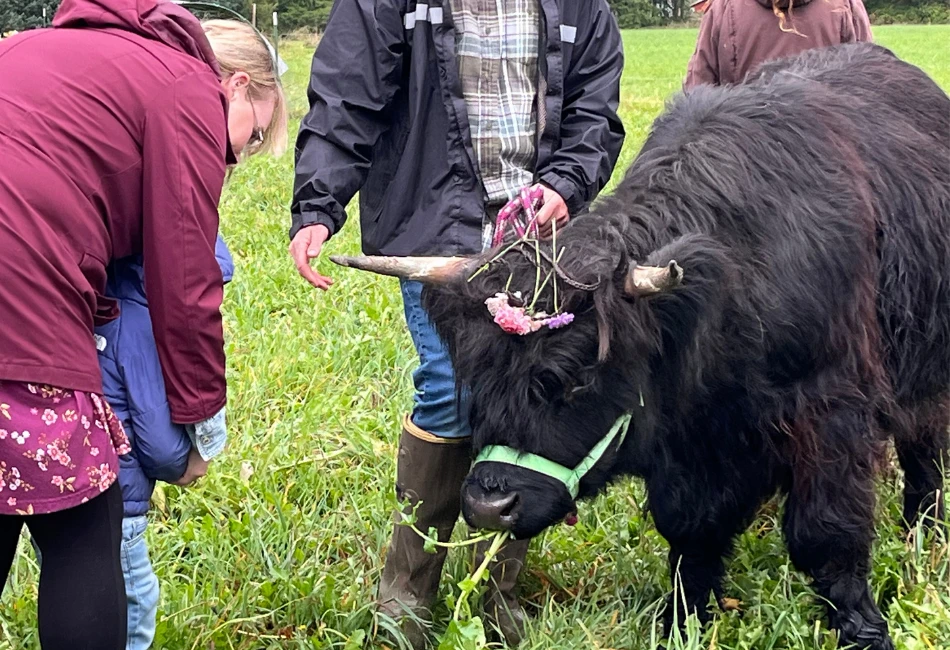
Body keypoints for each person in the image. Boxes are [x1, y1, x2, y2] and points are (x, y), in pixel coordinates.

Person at [290, 1, 625, 647]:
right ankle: (406, 597)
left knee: (522, 393)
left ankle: (494, 592)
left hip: (538, 241)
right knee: (448, 390)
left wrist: (564, 183)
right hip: (434, 237)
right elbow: (346, 98)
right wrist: (318, 202)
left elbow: (594, 112)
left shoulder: (581, 6)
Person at [0, 1, 286, 647]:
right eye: (254, 135)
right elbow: (184, 280)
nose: (238, 157)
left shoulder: (22, 50)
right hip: (24, 313)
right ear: (236, 86)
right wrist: (199, 429)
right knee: (84, 538)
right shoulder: (181, 83)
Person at [684, 0, 873, 89]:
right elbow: (872, 88)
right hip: (830, 156)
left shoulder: (723, 7)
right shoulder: (846, 5)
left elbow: (696, 91)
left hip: (746, 157)